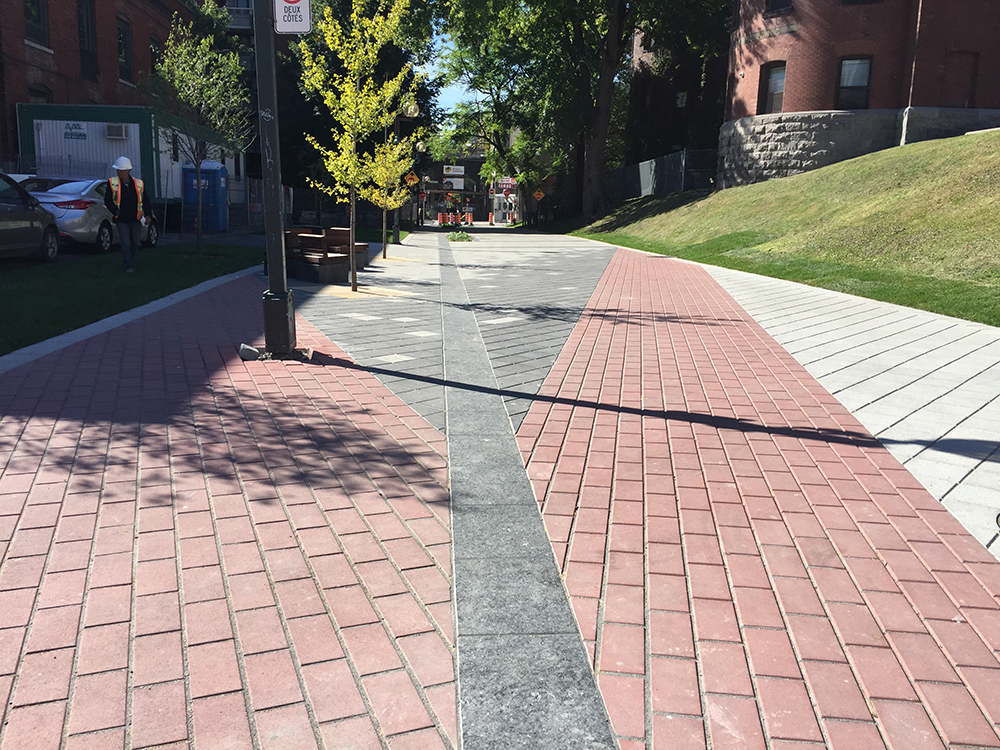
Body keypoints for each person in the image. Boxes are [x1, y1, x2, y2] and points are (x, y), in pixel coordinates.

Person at [104, 156, 152, 273]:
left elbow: (145, 200)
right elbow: (108, 200)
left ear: (128, 170)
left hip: (136, 219)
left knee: (135, 243)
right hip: (121, 219)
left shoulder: (139, 184)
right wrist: (116, 212)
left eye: (121, 170)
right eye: (118, 170)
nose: (119, 172)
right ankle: (129, 266)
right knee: (125, 243)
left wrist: (148, 214)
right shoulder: (112, 183)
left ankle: (130, 260)